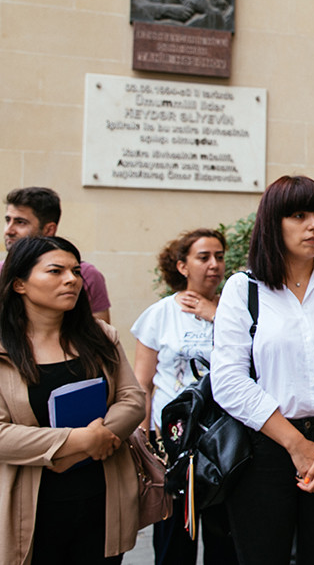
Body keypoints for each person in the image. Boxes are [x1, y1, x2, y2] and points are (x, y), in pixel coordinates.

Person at [210, 175, 314, 565]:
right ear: (273, 222)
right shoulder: (243, 288)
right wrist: (297, 445)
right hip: (264, 446)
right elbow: (229, 380)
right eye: (299, 215)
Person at [0, 236, 145, 564]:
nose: (72, 279)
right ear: (20, 284)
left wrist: (99, 439)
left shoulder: (101, 336)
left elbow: (132, 398)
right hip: (28, 509)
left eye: (75, 271)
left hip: (102, 500)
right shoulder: (3, 348)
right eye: (55, 271)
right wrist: (74, 441)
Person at [130, 228, 238, 565]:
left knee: (224, 538)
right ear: (182, 266)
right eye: (203, 257)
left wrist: (215, 315)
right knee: (174, 538)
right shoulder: (160, 314)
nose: (214, 265)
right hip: (173, 442)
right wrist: (147, 440)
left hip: (225, 442)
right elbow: (142, 382)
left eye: (219, 256)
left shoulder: (236, 311)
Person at [4, 187, 112, 322]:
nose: (9, 230)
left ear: (49, 229)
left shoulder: (88, 274)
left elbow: (98, 336)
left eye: (21, 222)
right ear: (18, 284)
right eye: (8, 220)